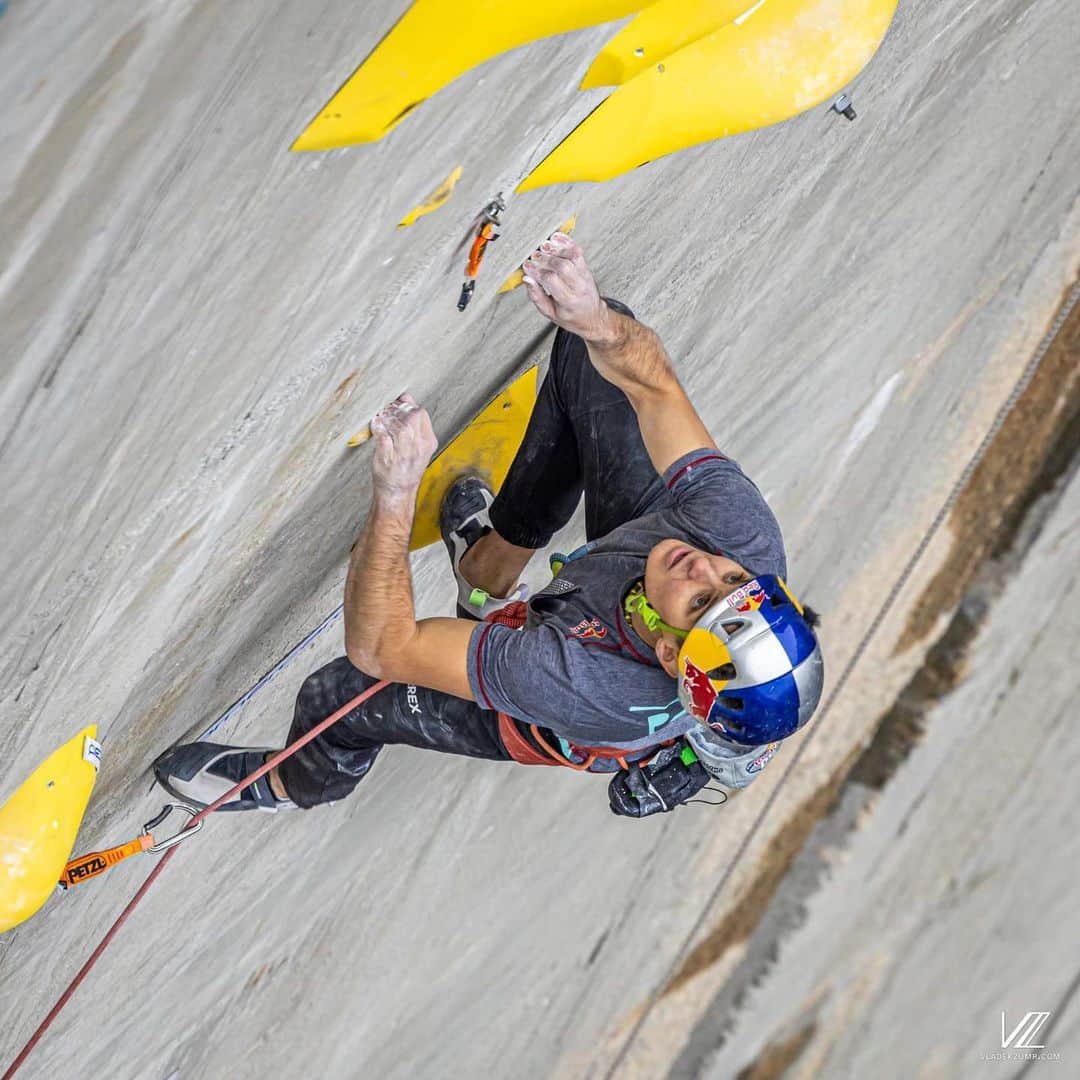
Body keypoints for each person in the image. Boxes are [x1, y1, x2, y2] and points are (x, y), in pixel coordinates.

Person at [154, 235, 823, 819]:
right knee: (590, 353)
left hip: (562, 696)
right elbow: (657, 391)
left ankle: (298, 782)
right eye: (735, 580)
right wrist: (592, 318)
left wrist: (395, 491)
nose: (705, 567)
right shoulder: (736, 538)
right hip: (621, 589)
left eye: (704, 601)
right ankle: (487, 567)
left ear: (675, 656)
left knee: (344, 696)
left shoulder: (584, 686)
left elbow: (385, 648)